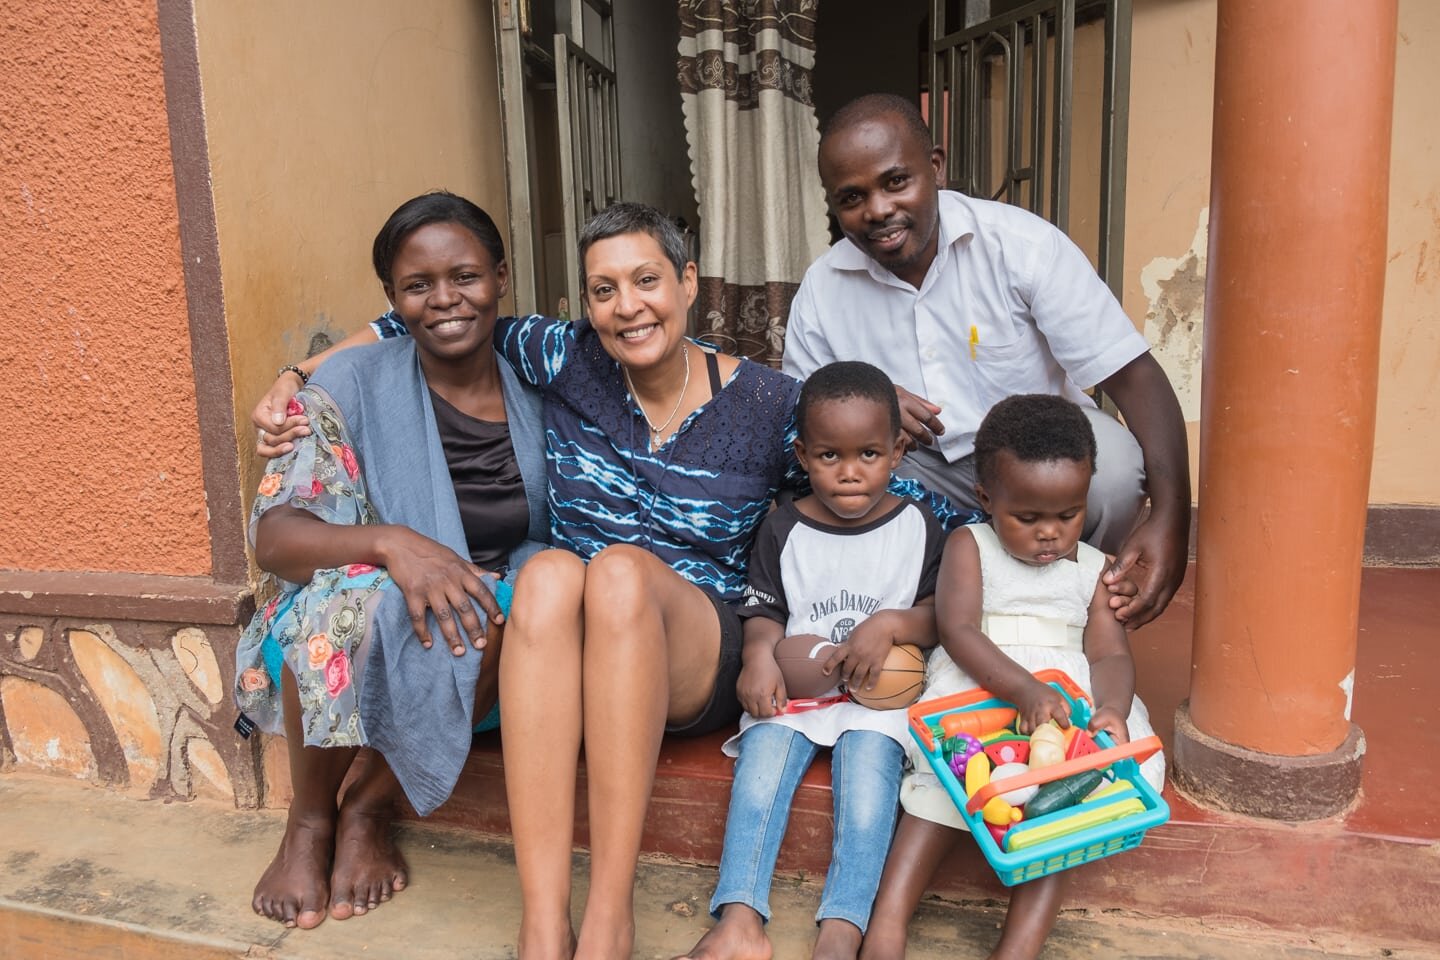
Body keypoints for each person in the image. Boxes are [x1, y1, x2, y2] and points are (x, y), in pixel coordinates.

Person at [235, 192, 549, 929]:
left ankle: (370, 806)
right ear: (392, 300)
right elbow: (275, 537)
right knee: (346, 605)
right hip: (350, 614)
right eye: (418, 285)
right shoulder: (347, 384)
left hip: (489, 611)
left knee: (505, 602)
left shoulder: (539, 380)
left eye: (465, 276)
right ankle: (309, 821)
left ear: (501, 276)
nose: (445, 299)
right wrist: (392, 544)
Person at [783, 93, 1191, 630]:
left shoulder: (1020, 246)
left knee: (1112, 466)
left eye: (896, 182)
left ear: (935, 167)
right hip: (917, 468)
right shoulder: (823, 288)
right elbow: (802, 412)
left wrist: (1171, 517)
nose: (878, 210)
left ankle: (1074, 608)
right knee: (839, 475)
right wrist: (873, 399)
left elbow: (1134, 377)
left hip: (1035, 453)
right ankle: (922, 619)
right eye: (852, 197)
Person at [860, 394, 1165, 960]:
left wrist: (1114, 709)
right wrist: (1022, 688)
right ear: (986, 499)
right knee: (941, 782)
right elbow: (958, 630)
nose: (1050, 532)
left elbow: (1109, 657)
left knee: (1068, 811)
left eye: (1068, 514)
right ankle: (887, 925)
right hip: (982, 686)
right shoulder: (970, 547)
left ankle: (1018, 947)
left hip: (1067, 703)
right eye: (1028, 518)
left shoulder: (1097, 570)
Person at [681, 361, 947, 960]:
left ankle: (844, 925)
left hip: (877, 699)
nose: (850, 473)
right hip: (796, 693)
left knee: (868, 795)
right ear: (802, 455)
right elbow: (765, 609)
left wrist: (893, 623)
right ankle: (739, 918)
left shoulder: (917, 526)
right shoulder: (783, 527)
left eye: (869, 454)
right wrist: (759, 659)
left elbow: (940, 617)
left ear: (899, 450)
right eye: (830, 456)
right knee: (758, 777)